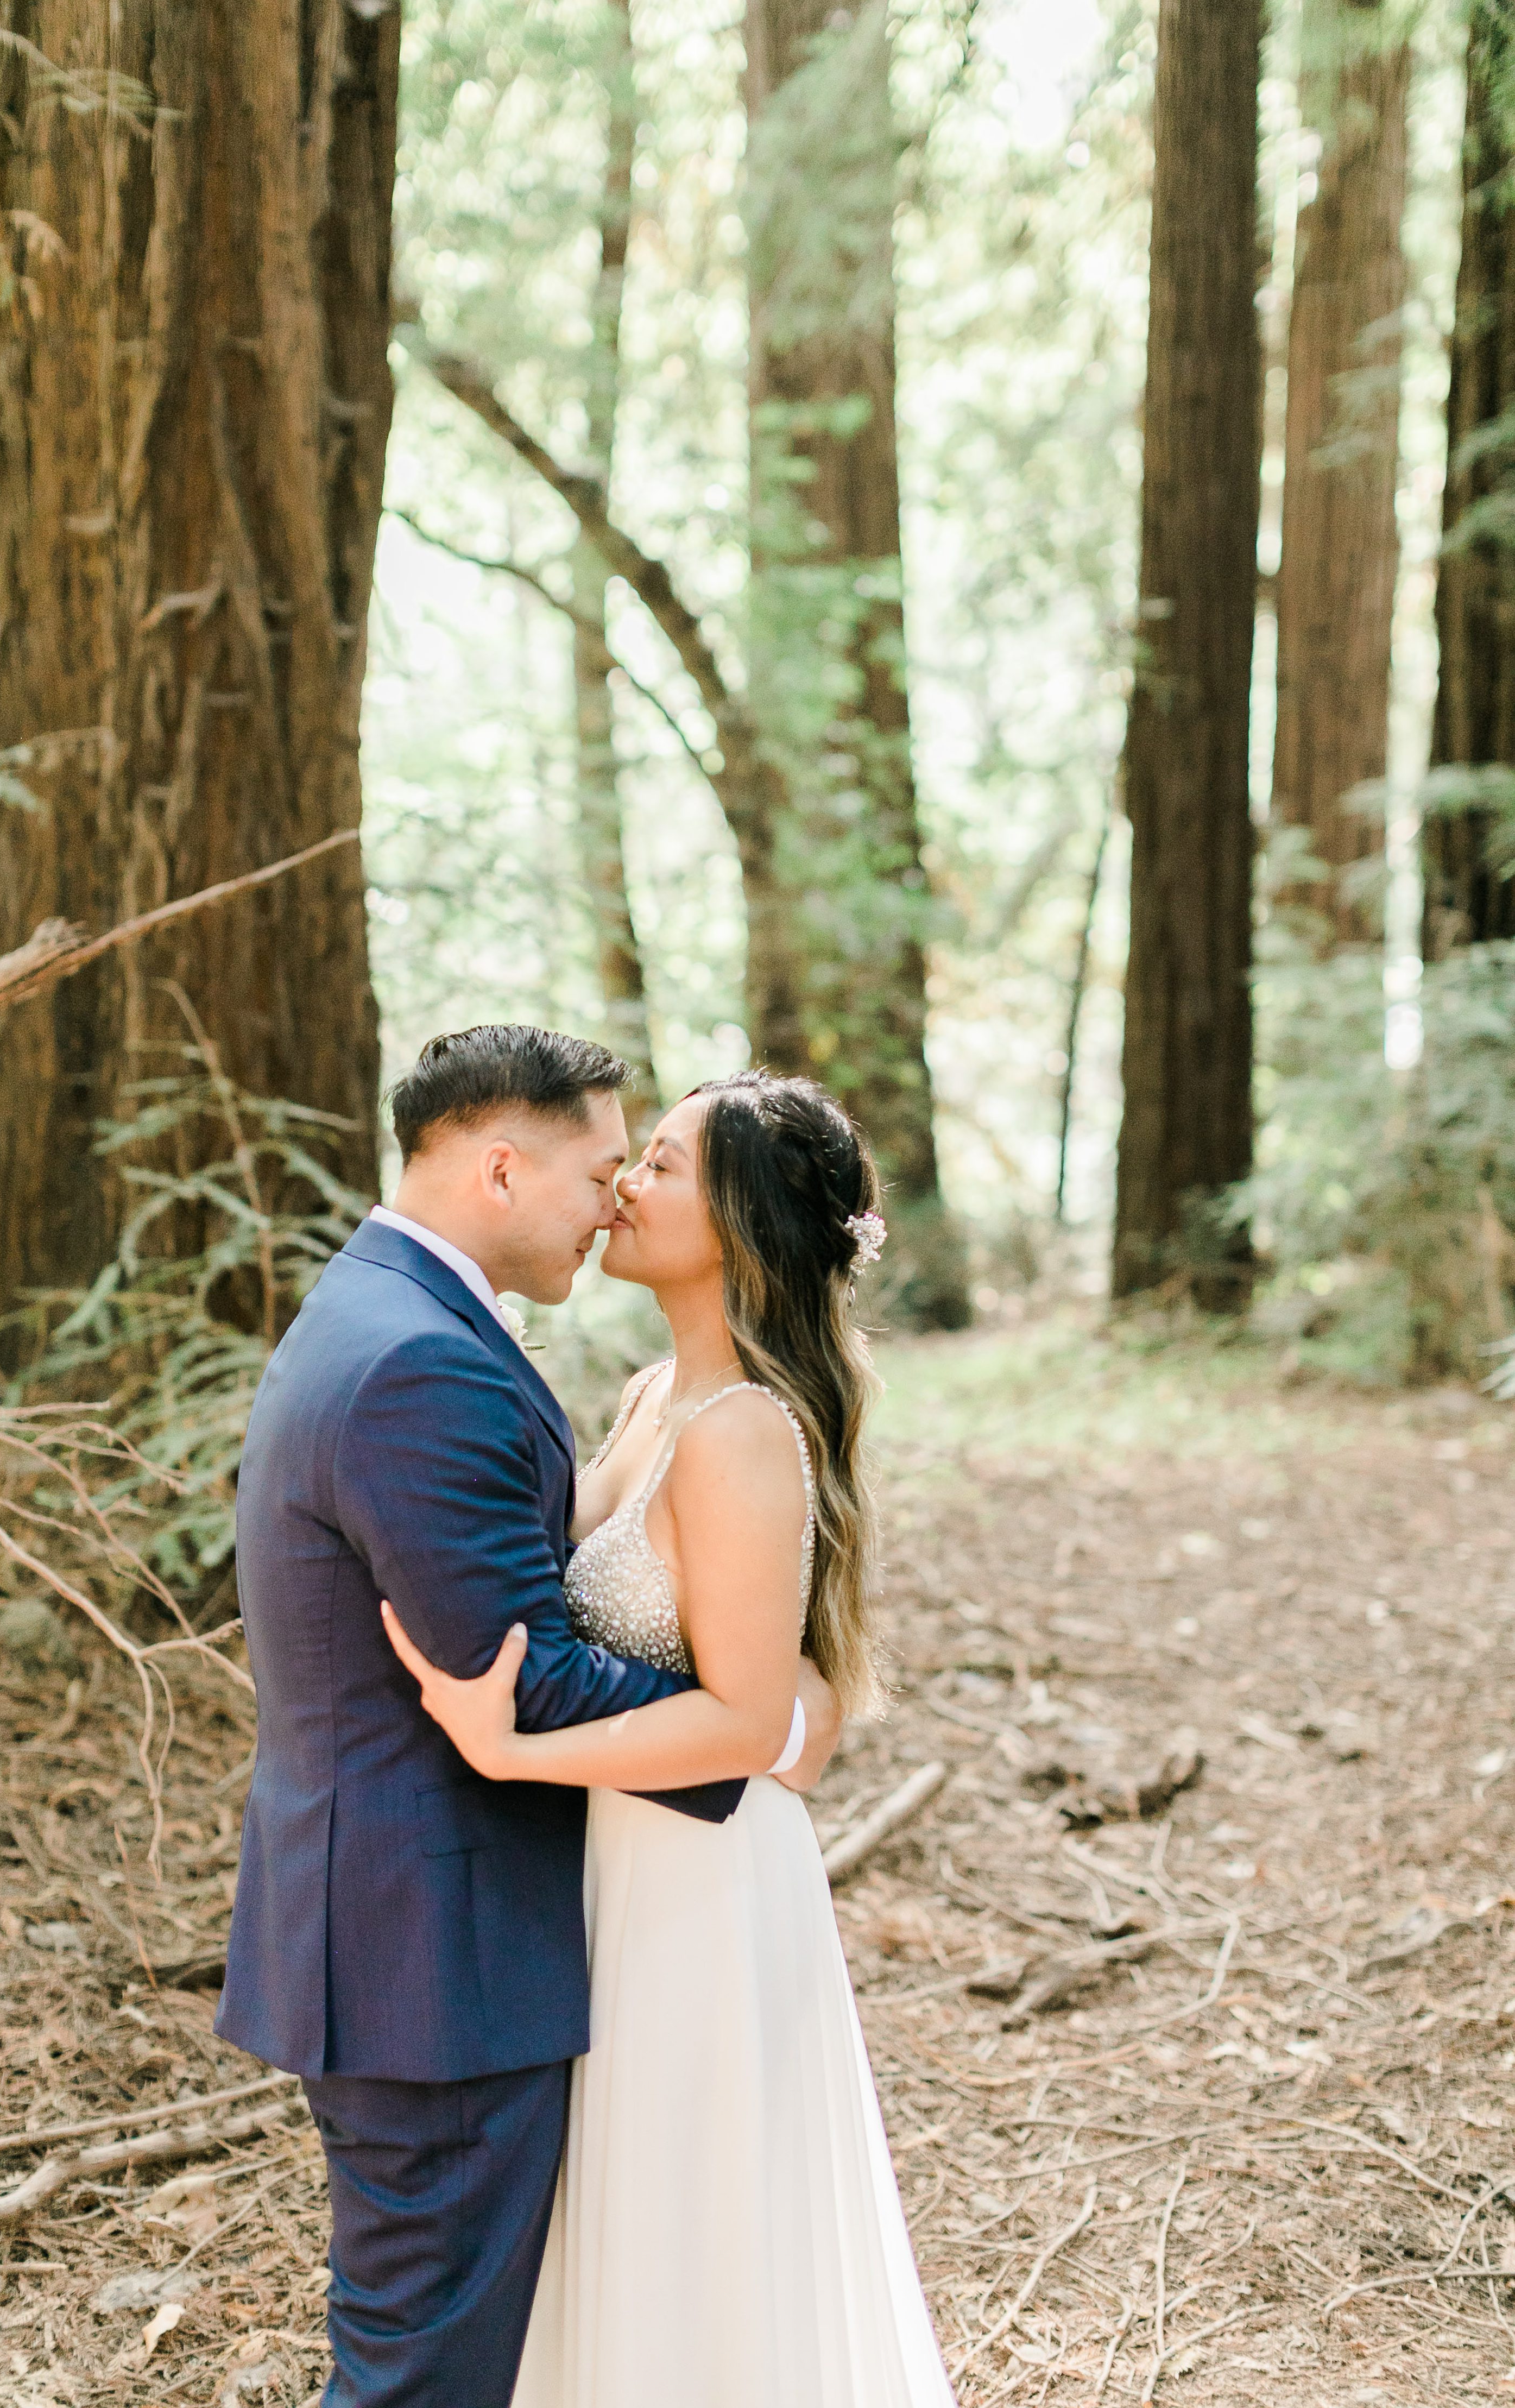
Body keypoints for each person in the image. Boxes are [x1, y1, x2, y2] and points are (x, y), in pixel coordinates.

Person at [214, 1025, 841, 2408]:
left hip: (510, 1919)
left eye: (649, 1169)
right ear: (503, 1169)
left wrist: (771, 1709)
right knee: (422, 2374)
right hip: (434, 1950)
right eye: (610, 1168)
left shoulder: (390, 1313)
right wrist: (764, 1726)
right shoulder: (420, 1362)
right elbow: (529, 1671)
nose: (615, 1199)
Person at [382, 1069, 956, 2408]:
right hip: (616, 1868)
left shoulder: (745, 1433)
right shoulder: (654, 1398)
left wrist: (510, 1751)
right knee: (622, 2222)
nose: (623, 1186)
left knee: (695, 2231)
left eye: (663, 1165)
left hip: (699, 1886)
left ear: (744, 1223)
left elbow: (755, 1721)